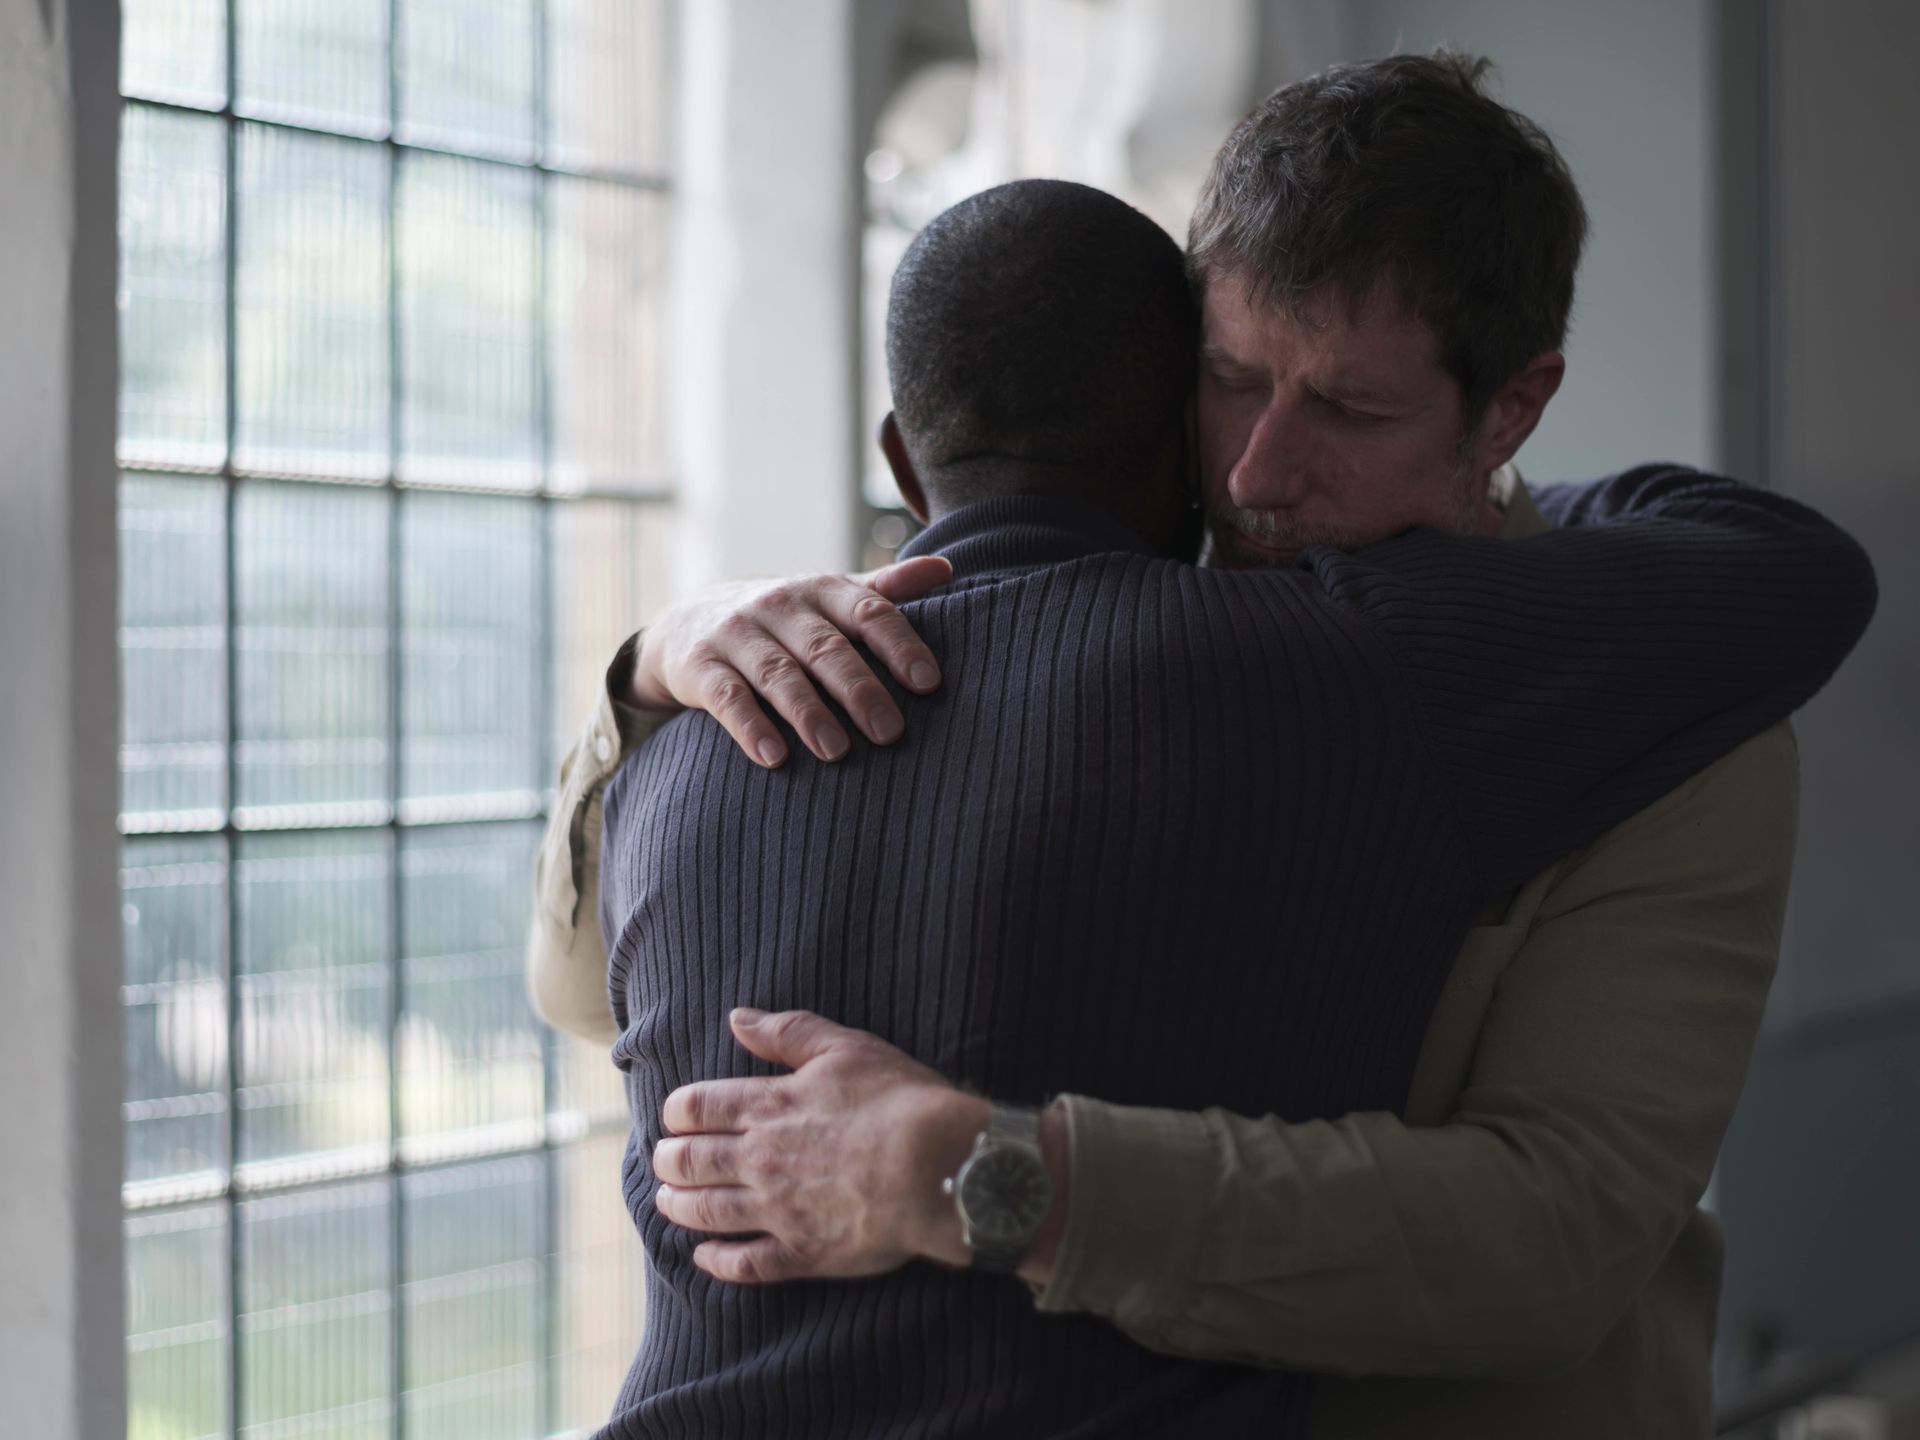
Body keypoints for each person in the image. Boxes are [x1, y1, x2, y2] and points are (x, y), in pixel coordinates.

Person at [531, 54, 1876, 1438]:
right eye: (1232, 378)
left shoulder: (1674, 721)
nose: (1255, 475)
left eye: (1352, 410)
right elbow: (598, 999)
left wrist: (996, 1179)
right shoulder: (994, 636)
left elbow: (1551, 1242)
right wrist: (653, 670)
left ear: (1512, 408)